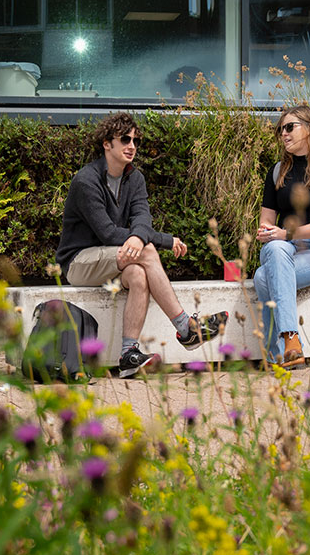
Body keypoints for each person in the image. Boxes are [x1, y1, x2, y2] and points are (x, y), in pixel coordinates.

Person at [56, 112, 228, 378]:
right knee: (146, 251)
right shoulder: (86, 181)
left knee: (138, 274)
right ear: (106, 143)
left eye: (136, 140)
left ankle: (128, 355)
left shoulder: (135, 179)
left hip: (115, 258)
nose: (132, 146)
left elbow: (142, 219)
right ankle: (186, 328)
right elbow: (106, 233)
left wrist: (140, 235)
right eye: (125, 139)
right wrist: (163, 240)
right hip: (79, 263)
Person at [254, 105, 310, 368]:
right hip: (283, 249)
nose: (283, 133)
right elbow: (266, 221)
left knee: (262, 277)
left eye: (290, 127)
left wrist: (286, 233)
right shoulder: (276, 172)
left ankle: (276, 353)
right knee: (276, 249)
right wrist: (268, 232)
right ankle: (291, 340)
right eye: (280, 129)